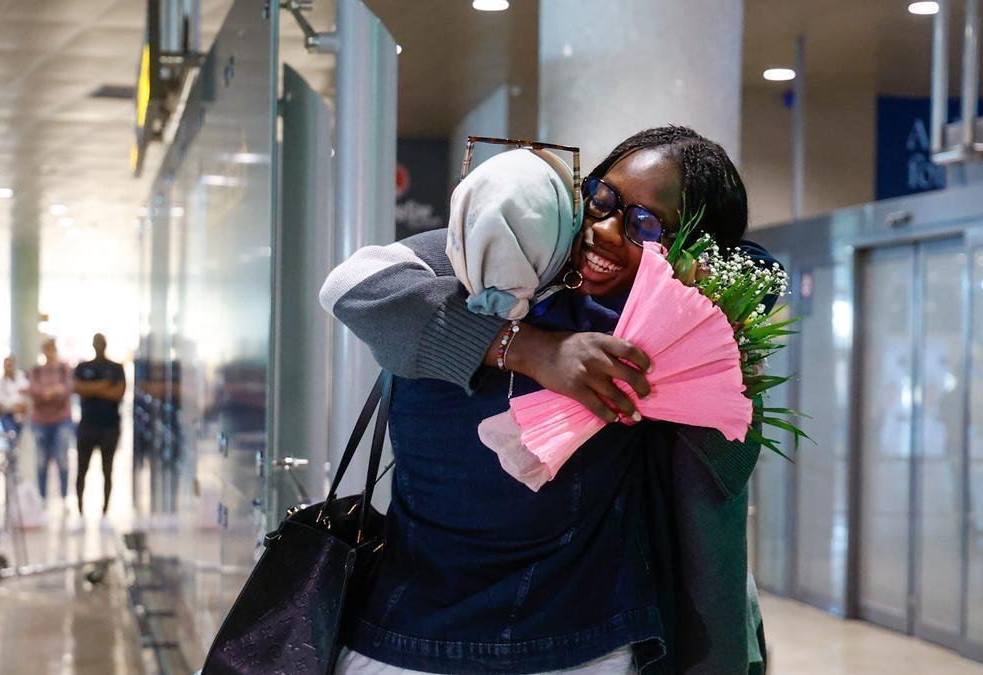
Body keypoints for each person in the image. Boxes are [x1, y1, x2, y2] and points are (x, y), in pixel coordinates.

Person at [321, 126, 768, 674]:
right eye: (602, 198)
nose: (602, 231)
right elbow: (354, 286)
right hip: (408, 638)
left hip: (581, 644)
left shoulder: (676, 342)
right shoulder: (488, 254)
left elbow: (707, 522)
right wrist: (527, 349)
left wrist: (720, 323)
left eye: (645, 226)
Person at [72, 333, 126, 529]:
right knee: (81, 470)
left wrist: (91, 389)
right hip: (87, 426)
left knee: (107, 470)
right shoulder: (82, 367)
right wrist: (104, 386)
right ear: (93, 345)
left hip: (109, 427)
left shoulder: (116, 368)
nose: (99, 346)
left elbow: (118, 393)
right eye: (96, 343)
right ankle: (79, 512)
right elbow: (78, 388)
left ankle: (105, 513)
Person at [29, 338, 75, 511]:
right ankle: (41, 498)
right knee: (41, 461)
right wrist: (52, 391)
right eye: (46, 348)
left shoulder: (64, 369)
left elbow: (68, 389)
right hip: (40, 421)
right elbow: (34, 391)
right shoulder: (37, 371)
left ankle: (64, 497)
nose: (49, 352)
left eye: (51, 348)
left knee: (62, 459)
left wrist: (53, 392)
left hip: (61, 420)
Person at [0, 356, 29, 452]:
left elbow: (27, 393)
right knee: (12, 439)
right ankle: (13, 463)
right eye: (7, 365)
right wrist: (13, 407)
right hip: (7, 415)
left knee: (23, 442)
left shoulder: (21, 378)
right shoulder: (0, 384)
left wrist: (21, 406)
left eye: (11, 365)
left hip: (23, 415)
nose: (9, 368)